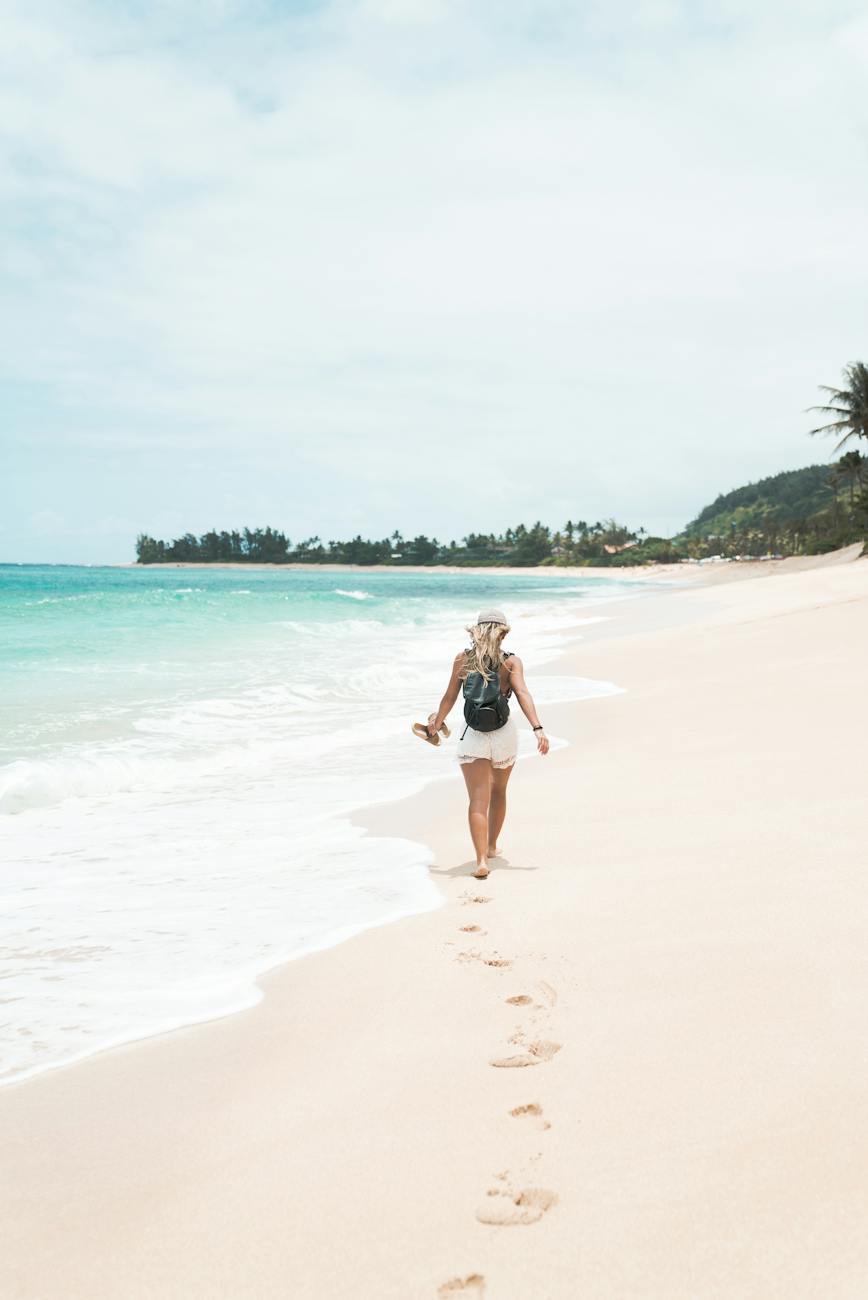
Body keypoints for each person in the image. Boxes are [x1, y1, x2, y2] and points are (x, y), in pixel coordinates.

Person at [426, 608, 549, 879]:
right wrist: (537, 728)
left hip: (473, 735)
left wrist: (436, 724)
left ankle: (481, 860)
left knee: (477, 801)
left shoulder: (462, 659)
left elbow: (449, 698)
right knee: (499, 792)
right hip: (503, 734)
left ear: (476, 631)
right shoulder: (511, 662)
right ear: (503, 633)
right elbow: (522, 693)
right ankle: (492, 846)